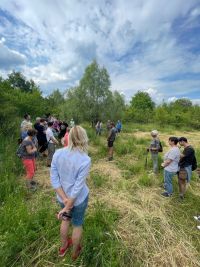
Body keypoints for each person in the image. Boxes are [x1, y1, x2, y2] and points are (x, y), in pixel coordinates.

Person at [50, 126, 91, 259]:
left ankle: (63, 248)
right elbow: (78, 187)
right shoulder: (85, 159)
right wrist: (69, 204)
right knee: (77, 224)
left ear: (69, 137)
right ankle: (74, 253)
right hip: (79, 200)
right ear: (84, 138)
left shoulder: (58, 153)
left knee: (65, 220)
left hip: (62, 198)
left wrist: (65, 201)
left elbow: (54, 179)